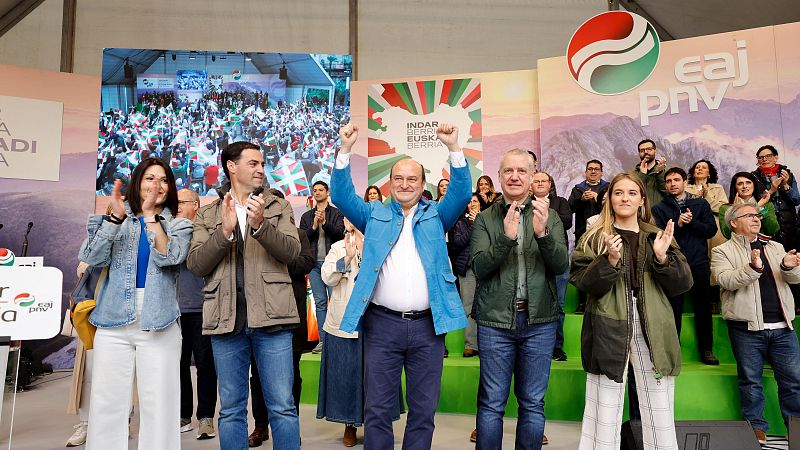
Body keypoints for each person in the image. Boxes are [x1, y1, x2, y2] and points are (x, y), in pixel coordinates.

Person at [331, 122, 471, 449]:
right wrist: (345, 150)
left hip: (427, 328)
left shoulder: (438, 215)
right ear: (389, 183)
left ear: (423, 185)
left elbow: (463, 192)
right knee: (377, 409)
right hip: (382, 326)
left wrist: (454, 148)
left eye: (412, 179)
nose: (405, 184)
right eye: (398, 178)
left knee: (423, 411)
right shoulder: (373, 215)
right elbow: (341, 195)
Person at [187, 141, 301, 450]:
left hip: (273, 320)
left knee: (282, 406)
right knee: (232, 409)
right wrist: (223, 234)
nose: (261, 169)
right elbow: (197, 264)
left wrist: (261, 225)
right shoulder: (209, 214)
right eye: (253, 163)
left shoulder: (277, 206)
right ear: (231, 166)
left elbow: (292, 253)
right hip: (226, 322)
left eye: (262, 164)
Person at [570, 172, 692, 450]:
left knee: (659, 406)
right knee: (605, 406)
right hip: (608, 327)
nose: (625, 198)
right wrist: (609, 261)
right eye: (618, 193)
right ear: (609, 199)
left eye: (632, 193)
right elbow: (584, 283)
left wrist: (662, 257)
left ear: (642, 200)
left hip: (654, 325)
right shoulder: (594, 237)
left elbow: (683, 283)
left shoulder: (657, 236)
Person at [79, 157, 193, 450]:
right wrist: (115, 220)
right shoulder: (113, 217)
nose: (157, 185)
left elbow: (170, 258)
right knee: (107, 402)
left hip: (160, 321)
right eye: (149, 178)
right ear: (136, 182)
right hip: (113, 318)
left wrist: (150, 217)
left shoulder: (178, 225)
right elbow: (92, 258)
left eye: (164, 180)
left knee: (160, 404)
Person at [470, 149, 568, 450]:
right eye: (508, 171)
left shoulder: (548, 215)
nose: (514, 176)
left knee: (533, 404)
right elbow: (480, 267)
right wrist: (506, 238)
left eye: (521, 171)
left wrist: (543, 235)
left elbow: (561, 265)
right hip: (495, 322)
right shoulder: (486, 218)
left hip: (539, 323)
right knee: (491, 405)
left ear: (532, 176)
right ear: (498, 177)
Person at [710, 202, 800, 444]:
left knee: (794, 381)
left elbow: (795, 278)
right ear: (733, 223)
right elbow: (725, 280)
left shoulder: (777, 246)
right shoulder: (722, 251)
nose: (756, 218)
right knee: (750, 381)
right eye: (749, 215)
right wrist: (752, 267)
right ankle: (756, 429)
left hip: (783, 328)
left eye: (757, 215)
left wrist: (788, 267)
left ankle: (797, 429)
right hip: (746, 329)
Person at [318, 217, 404, 447]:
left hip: (376, 321)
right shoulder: (337, 246)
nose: (351, 221)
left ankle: (377, 425)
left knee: (378, 376)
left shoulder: (377, 243)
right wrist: (346, 258)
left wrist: (365, 252)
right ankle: (349, 424)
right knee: (348, 374)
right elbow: (327, 277)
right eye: (347, 217)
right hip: (344, 320)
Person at [248, 189, 315, 448]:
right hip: (259, 313)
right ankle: (261, 426)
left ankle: (289, 427)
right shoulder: (251, 235)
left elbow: (306, 262)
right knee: (257, 376)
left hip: (291, 314)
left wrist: (279, 261)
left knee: (291, 375)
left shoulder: (297, 235)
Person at [652, 167, 720, 365]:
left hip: (698, 262)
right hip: (673, 263)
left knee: (703, 309)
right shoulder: (659, 208)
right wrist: (679, 225)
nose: (672, 184)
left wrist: (692, 223)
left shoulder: (700, 203)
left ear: (684, 182)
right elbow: (659, 238)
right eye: (669, 181)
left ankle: (706, 350)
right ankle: (673, 352)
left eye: (676, 180)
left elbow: (710, 230)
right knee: (673, 309)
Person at [176, 188, 218, 439]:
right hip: (174, 310)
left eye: (182, 202)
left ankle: (205, 417)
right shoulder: (167, 230)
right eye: (176, 202)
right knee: (178, 366)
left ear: (196, 204)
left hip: (202, 307)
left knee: (205, 365)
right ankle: (183, 414)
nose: (178, 206)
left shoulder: (205, 231)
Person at [531, 171, 572, 362]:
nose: (539, 183)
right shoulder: (523, 204)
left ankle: (557, 347)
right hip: (534, 261)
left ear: (550, 184)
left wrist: (546, 213)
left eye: (543, 181)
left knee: (559, 306)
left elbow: (567, 222)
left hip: (557, 259)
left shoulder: (561, 202)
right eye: (536, 181)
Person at [300, 180, 345, 354]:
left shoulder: (336, 213)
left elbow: (340, 233)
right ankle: (323, 340)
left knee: (335, 302)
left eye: (321, 190)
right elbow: (303, 238)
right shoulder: (306, 216)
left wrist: (325, 223)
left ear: (328, 193)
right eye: (315, 190)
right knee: (320, 303)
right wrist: (314, 225)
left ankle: (337, 339)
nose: (317, 192)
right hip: (314, 265)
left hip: (332, 265)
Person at [568, 160, 609, 314]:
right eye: (590, 169)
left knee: (602, 266)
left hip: (603, 232)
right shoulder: (578, 189)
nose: (593, 172)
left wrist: (598, 198)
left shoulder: (608, 187)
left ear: (601, 172)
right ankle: (582, 303)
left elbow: (611, 206)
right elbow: (570, 208)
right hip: (582, 233)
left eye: (596, 169)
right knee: (582, 267)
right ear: (585, 172)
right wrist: (581, 200)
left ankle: (601, 301)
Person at [448, 194, 481, 357]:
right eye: (470, 202)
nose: (473, 204)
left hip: (486, 267)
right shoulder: (460, 223)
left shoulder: (488, 221)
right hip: (467, 268)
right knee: (468, 307)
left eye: (475, 201)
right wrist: (474, 225)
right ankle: (471, 344)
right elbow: (458, 243)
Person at [751, 145, 800, 252]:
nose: (764, 159)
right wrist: (772, 190)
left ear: (776, 157)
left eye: (768, 156)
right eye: (760, 157)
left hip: (789, 226)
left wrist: (786, 185)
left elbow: (796, 200)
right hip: (766, 225)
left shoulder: (787, 175)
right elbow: (756, 204)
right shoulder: (753, 177)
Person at [719, 172, 780, 240]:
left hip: (762, 246)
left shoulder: (766, 206)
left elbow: (773, 230)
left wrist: (759, 208)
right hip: (737, 247)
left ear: (754, 185)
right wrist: (735, 210)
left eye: (748, 182)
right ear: (735, 187)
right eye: (740, 184)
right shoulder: (725, 208)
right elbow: (727, 234)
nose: (744, 186)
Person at [685, 159, 728, 248]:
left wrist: (707, 196)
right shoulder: (685, 189)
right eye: (697, 168)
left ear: (709, 174)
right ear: (693, 173)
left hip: (716, 233)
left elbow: (724, 209)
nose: (700, 169)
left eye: (704, 168)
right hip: (693, 231)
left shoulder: (718, 188)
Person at [634, 139, 669, 208]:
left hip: (660, 215)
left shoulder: (666, 172)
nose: (645, 152)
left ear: (655, 151)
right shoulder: (633, 174)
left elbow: (668, 192)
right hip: (639, 215)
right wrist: (642, 175)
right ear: (639, 153)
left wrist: (660, 172)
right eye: (642, 150)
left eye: (649, 149)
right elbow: (633, 192)